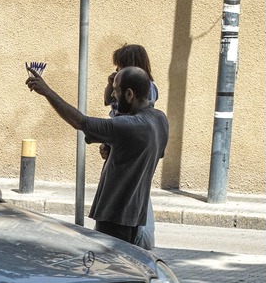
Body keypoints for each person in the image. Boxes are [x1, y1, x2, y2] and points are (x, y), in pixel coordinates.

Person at [25, 65, 168, 245]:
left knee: (109, 269)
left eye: (116, 91)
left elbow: (79, 121)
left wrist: (47, 92)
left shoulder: (128, 125)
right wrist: (115, 149)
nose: (113, 96)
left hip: (115, 216)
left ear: (129, 94)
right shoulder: (160, 119)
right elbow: (151, 153)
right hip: (134, 216)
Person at [100, 43, 158, 249]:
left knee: (131, 194)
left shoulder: (147, 88)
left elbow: (137, 117)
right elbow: (107, 101)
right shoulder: (120, 85)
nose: (117, 70)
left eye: (120, 66)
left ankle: (137, 242)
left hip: (128, 143)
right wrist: (111, 84)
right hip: (117, 140)